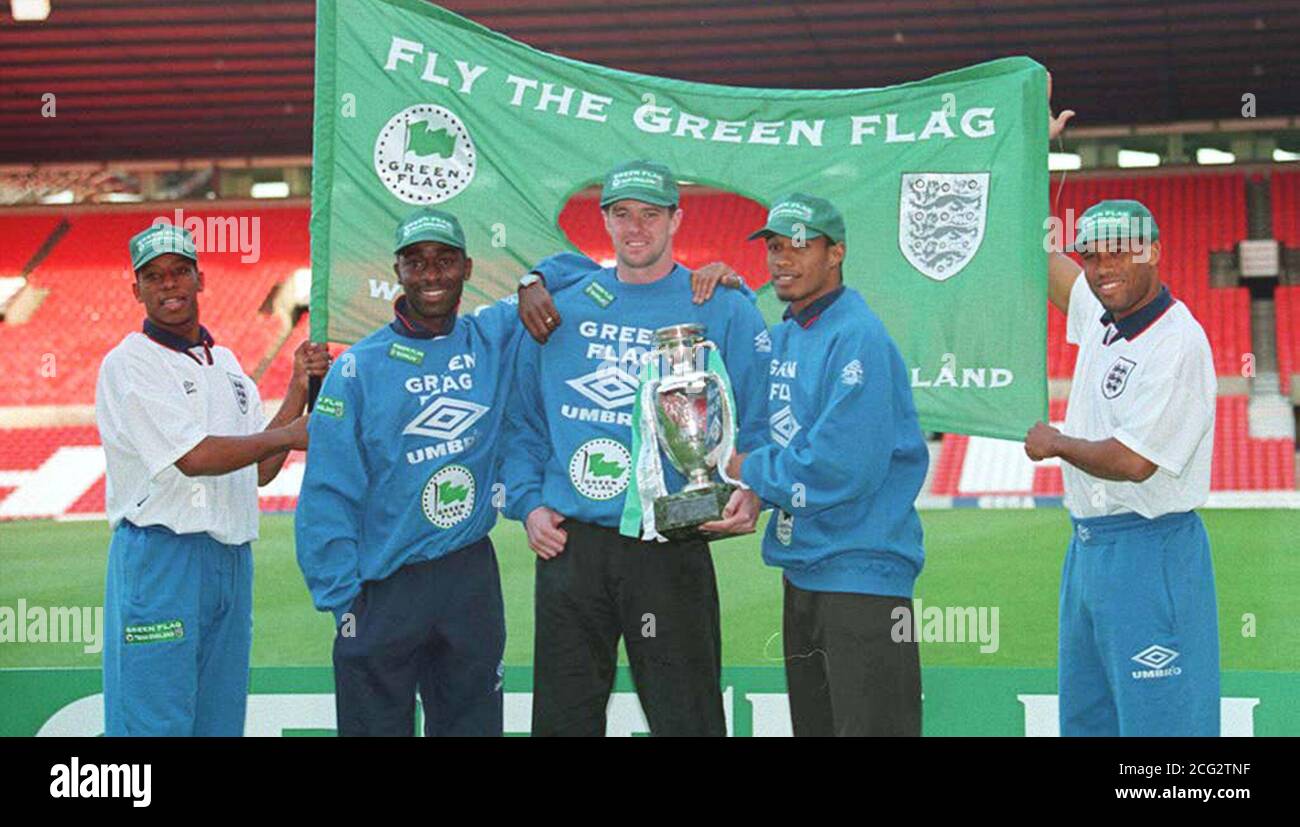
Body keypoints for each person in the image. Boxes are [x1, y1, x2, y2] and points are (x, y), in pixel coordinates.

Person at [293, 207, 605, 736]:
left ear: (468, 268)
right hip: (383, 585)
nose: (431, 273)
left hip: (467, 577)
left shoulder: (492, 335)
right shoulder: (358, 368)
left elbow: (586, 268)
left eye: (444, 260)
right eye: (416, 262)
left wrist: (534, 279)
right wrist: (342, 598)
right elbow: (327, 492)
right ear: (398, 271)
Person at [501, 159, 768, 737]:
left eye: (651, 214)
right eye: (622, 214)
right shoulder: (558, 309)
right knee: (563, 721)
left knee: (686, 719)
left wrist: (754, 490)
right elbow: (522, 421)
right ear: (604, 220)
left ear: (677, 218)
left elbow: (765, 414)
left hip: (670, 544)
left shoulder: (718, 305)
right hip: (571, 547)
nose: (636, 228)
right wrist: (528, 504)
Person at [96, 222, 327, 736]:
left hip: (230, 559)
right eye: (154, 277)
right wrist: (290, 432)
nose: (169, 285)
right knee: (155, 721)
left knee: (218, 721)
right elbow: (195, 458)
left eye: (180, 272)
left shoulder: (225, 365)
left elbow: (262, 469)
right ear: (136, 290)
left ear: (200, 279)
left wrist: (296, 387)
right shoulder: (130, 363)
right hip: (163, 556)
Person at [721, 193, 929, 736]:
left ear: (835, 252)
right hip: (806, 569)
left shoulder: (856, 335)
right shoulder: (788, 333)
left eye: (798, 245)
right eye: (772, 246)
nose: (781, 259)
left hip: (863, 577)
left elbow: (840, 467)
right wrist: (758, 491)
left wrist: (748, 470)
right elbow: (774, 430)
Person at [1024, 198, 1220, 736]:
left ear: (1153, 251)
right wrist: (1028, 142)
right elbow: (1044, 258)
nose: (1103, 268)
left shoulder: (1176, 343)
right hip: (1088, 548)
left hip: (1150, 548)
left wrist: (1058, 443)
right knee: (1090, 720)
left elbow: (1136, 462)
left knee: (1162, 725)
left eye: (1119, 252)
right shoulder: (1104, 317)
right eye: (1091, 255)